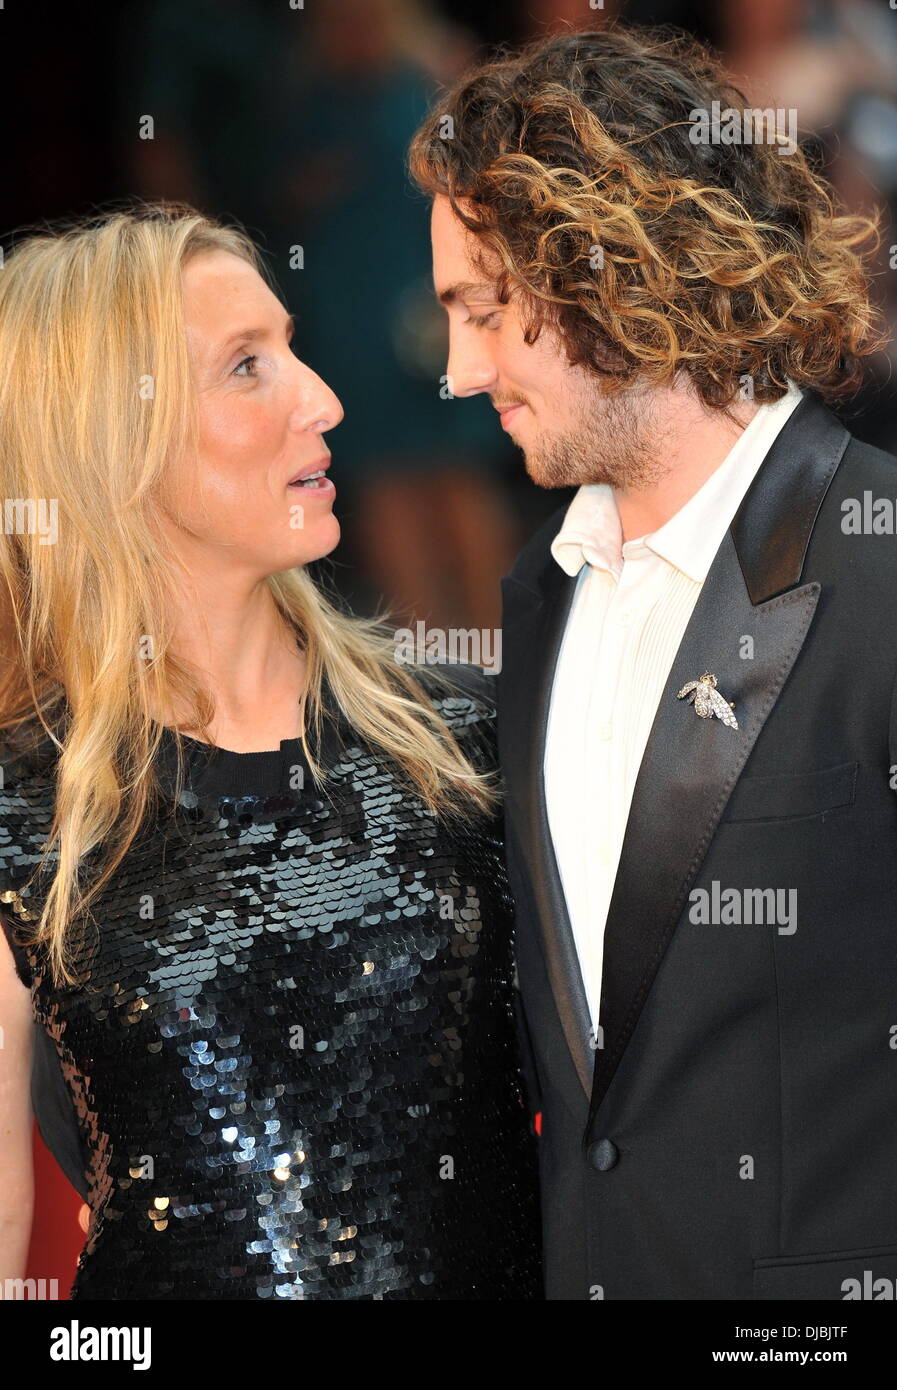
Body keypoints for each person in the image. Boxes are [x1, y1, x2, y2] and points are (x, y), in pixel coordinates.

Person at [409, 23, 897, 1299]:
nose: (459, 372)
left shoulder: (884, 569)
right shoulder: (541, 599)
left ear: (611, 262)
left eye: (485, 311)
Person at [0, 202, 542, 1300]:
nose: (324, 400)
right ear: (113, 435)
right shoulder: (25, 811)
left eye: (290, 348)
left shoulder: (466, 741)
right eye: (248, 366)